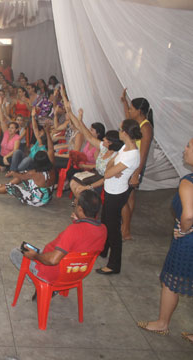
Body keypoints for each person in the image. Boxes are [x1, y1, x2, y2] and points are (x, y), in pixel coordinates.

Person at [137, 138, 193, 343]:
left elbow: (188, 215)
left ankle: (162, 323)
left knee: (171, 281)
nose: (184, 149)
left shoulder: (188, 182)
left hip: (188, 243)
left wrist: (185, 231)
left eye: (189, 146)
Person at [9, 190, 107, 283]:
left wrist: (35, 256)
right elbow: (84, 237)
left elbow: (53, 260)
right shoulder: (103, 229)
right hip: (76, 272)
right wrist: (78, 220)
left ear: (80, 210)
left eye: (75, 205)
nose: (74, 207)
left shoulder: (73, 230)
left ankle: (41, 282)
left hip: (53, 273)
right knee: (40, 249)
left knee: (16, 252)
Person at [97, 119, 142, 275]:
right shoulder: (124, 148)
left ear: (126, 133)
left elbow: (107, 172)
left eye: (120, 129)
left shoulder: (132, 155)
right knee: (105, 222)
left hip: (117, 194)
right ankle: (103, 250)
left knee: (113, 229)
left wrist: (113, 169)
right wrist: (113, 168)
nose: (119, 131)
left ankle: (114, 265)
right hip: (111, 190)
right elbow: (110, 166)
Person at [0, 124, 56, 207]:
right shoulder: (52, 166)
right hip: (47, 197)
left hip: (37, 200)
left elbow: (21, 176)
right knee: (22, 174)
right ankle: (4, 186)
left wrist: (12, 173)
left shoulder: (34, 173)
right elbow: (51, 148)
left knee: (12, 186)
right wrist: (47, 132)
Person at [67, 105, 123, 198]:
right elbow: (88, 135)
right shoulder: (104, 148)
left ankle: (83, 204)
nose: (103, 139)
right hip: (96, 175)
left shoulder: (115, 157)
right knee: (74, 180)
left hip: (102, 181)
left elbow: (105, 178)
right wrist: (79, 119)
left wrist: (88, 187)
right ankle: (79, 203)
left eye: (106, 139)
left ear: (111, 143)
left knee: (80, 188)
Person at [120, 90, 154, 241]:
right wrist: (124, 102)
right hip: (131, 164)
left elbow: (144, 154)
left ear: (139, 111)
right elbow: (128, 121)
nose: (129, 111)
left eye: (131, 108)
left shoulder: (146, 128)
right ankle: (125, 225)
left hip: (136, 166)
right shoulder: (136, 123)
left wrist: (136, 173)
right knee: (129, 196)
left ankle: (126, 229)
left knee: (125, 196)